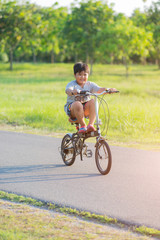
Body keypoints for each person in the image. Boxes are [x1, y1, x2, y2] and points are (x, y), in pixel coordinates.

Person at [64, 62, 116, 133]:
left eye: (85, 75)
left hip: (85, 109)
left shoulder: (89, 84)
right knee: (77, 104)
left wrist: (108, 89)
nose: (82, 77)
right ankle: (83, 126)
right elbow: (68, 90)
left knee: (93, 101)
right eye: (79, 75)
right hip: (72, 109)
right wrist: (73, 91)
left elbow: (99, 89)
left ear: (88, 75)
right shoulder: (72, 84)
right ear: (74, 75)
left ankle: (90, 125)